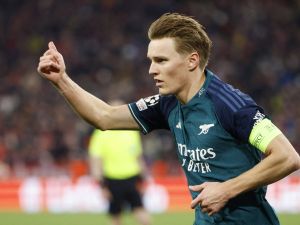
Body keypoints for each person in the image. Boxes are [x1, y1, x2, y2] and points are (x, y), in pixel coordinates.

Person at [37, 13, 300, 225]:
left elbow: (287, 157)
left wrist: (227, 189)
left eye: (161, 60)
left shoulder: (230, 105)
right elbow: (104, 117)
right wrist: (61, 80)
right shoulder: (167, 104)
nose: (152, 70)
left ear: (191, 61)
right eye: (151, 60)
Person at [88, 100, 151, 225]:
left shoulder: (101, 133)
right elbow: (139, 158)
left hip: (115, 180)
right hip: (126, 178)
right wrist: (145, 178)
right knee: (139, 211)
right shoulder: (130, 130)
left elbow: (95, 161)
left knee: (116, 216)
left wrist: (101, 185)